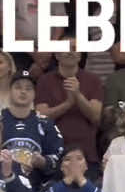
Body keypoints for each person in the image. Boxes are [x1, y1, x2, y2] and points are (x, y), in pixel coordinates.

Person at [34, 42, 104, 173]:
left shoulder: (93, 80)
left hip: (86, 152)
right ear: (56, 55)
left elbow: (96, 117)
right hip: (53, 152)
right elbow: (41, 117)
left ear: (80, 55)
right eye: (65, 48)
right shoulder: (44, 80)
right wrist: (67, 104)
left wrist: (77, 95)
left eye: (74, 48)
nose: (70, 52)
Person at [0, 74, 64, 186]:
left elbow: (58, 157)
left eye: (28, 88)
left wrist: (43, 162)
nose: (23, 92)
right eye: (18, 87)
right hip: (2, 185)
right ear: (9, 91)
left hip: (36, 186)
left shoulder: (45, 123)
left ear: (35, 94)